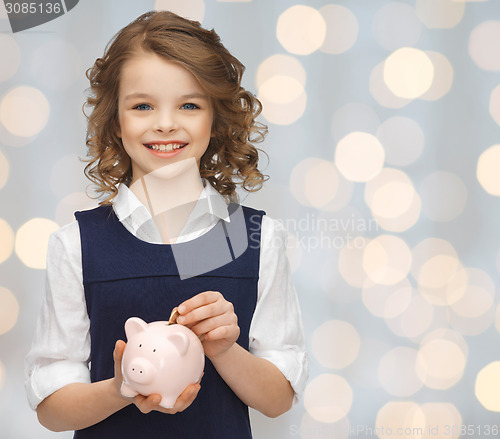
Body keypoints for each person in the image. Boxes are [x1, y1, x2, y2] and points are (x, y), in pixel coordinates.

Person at [24, 10, 308, 439]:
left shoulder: (252, 239)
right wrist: (123, 388)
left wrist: (225, 350)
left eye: (189, 105)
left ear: (216, 118)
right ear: (115, 120)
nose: (165, 123)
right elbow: (51, 410)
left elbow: (277, 400)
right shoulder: (78, 245)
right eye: (142, 106)